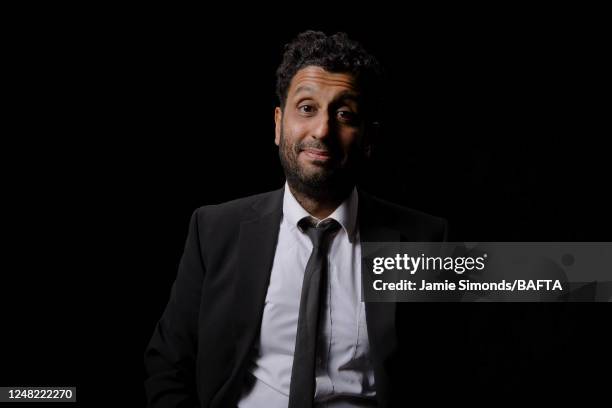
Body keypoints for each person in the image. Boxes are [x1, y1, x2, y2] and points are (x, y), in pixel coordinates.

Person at [144, 30, 447, 408]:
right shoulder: (214, 230)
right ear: (277, 123)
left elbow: (443, 377)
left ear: (367, 136)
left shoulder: (423, 241)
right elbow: (168, 366)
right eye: (306, 108)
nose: (322, 130)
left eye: (344, 114)